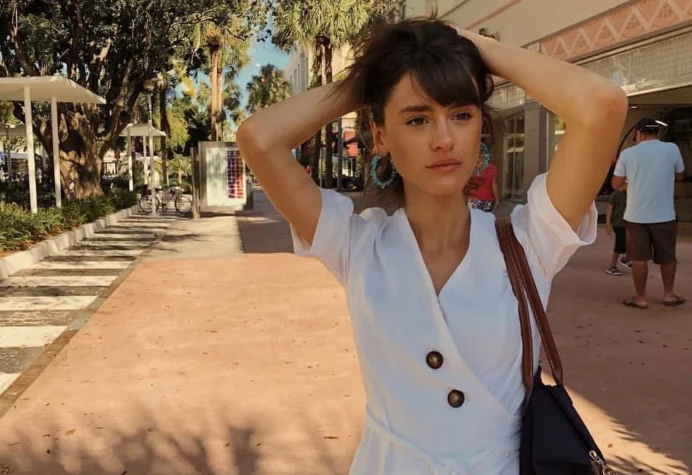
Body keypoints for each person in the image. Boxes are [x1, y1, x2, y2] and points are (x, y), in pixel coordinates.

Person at [237, 18, 627, 474]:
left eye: (461, 115)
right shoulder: (358, 245)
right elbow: (259, 138)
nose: (444, 139)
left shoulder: (530, 242)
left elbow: (602, 105)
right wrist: (378, 71)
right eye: (417, 119)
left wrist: (473, 48)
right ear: (380, 136)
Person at [612, 117, 686, 309]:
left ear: (638, 134)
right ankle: (668, 295)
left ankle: (641, 298)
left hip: (635, 216)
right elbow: (680, 175)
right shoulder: (672, 149)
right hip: (665, 215)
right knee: (668, 257)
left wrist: (630, 184)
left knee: (638, 259)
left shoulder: (628, 154)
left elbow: (616, 184)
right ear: (657, 133)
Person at [467, 142, 500, 213]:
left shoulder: (491, 167)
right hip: (474, 199)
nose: (479, 155)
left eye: (481, 153)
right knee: (475, 218)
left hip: (488, 200)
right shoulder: (470, 167)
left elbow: (494, 184)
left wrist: (497, 199)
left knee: (486, 218)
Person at [605, 182, 629, 276]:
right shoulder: (615, 195)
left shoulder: (628, 194)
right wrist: (608, 224)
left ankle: (627, 258)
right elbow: (609, 209)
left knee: (631, 241)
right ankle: (612, 266)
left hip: (627, 222)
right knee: (620, 244)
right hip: (618, 223)